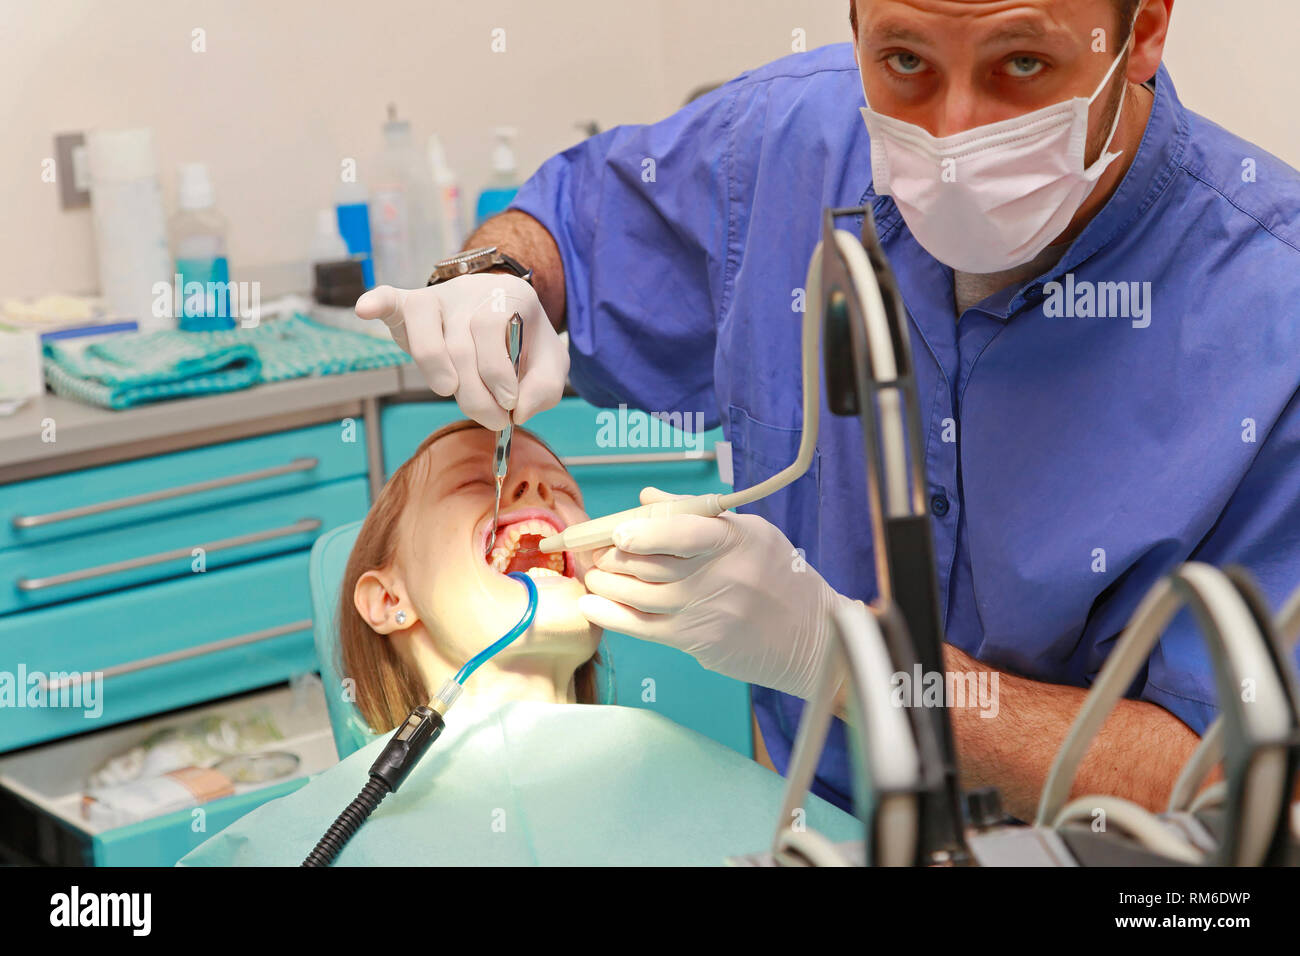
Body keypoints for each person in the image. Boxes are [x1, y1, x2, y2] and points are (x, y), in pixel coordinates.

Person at [357, 0, 1300, 821]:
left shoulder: (1271, 317)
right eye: (905, 62)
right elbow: (566, 228)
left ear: (1143, 31)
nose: (956, 130)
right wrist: (496, 273)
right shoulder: (783, 146)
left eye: (1022, 63)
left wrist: (846, 659)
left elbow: (1239, 774)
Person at [179, 422, 856, 865]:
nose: (535, 485)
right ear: (389, 600)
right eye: (479, 483)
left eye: (563, 489)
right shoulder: (277, 846)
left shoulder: (747, 802)